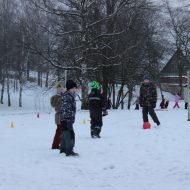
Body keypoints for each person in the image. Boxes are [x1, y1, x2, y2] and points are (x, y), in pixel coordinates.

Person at [60, 79, 79, 156]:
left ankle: (63, 149)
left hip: (64, 119)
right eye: (74, 88)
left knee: (64, 134)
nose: (75, 89)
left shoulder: (65, 95)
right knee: (70, 134)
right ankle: (69, 150)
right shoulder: (68, 96)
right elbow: (67, 108)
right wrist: (70, 119)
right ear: (70, 88)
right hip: (68, 119)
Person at [50, 83, 64, 149]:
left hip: (62, 116)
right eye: (59, 89)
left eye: (61, 88)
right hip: (59, 117)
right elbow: (57, 105)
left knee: (62, 131)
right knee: (59, 131)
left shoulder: (62, 96)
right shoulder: (56, 98)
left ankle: (60, 143)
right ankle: (55, 145)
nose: (61, 90)